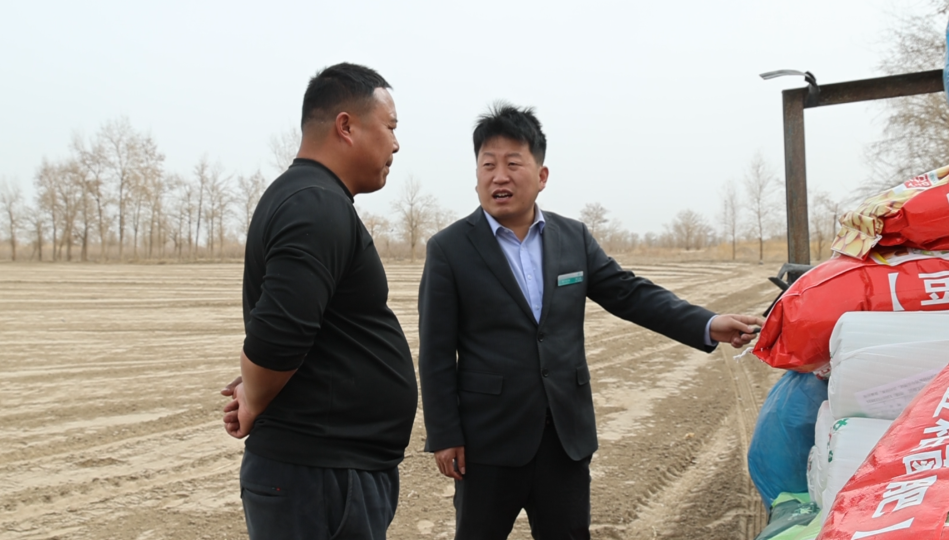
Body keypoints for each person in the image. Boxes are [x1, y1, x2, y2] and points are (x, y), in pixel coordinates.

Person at [417, 104, 764, 540]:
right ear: (476, 176)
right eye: (488, 165)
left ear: (542, 175)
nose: (499, 177)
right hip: (488, 441)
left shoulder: (572, 238)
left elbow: (629, 293)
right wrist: (444, 434)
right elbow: (435, 352)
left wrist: (707, 323)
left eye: (513, 164)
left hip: (565, 438)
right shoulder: (450, 248)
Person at [221, 63, 417, 540]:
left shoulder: (312, 199)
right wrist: (255, 396)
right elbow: (277, 340)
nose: (395, 144)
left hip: (324, 474)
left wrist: (258, 389)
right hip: (318, 479)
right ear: (346, 126)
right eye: (390, 127)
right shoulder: (315, 205)